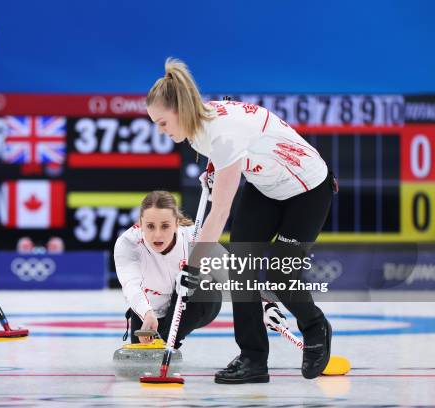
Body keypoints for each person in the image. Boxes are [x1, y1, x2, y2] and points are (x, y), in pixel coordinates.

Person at [146, 58, 336, 384]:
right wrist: (216, 168)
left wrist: (192, 267)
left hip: (307, 189)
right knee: (241, 266)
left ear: (180, 110)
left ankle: (316, 326)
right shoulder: (201, 124)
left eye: (163, 123)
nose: (161, 131)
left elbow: (219, 212)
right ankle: (253, 358)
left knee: (279, 274)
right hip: (267, 187)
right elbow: (233, 154)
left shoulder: (222, 135)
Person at [114, 191, 222, 348]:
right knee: (142, 360)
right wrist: (146, 312)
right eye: (150, 226)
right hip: (150, 310)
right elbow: (131, 285)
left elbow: (233, 271)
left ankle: (166, 340)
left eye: (165, 226)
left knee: (206, 288)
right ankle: (161, 337)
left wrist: (263, 304)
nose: (158, 235)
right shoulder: (128, 243)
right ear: (141, 224)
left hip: (189, 304)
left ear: (176, 224)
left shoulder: (193, 236)